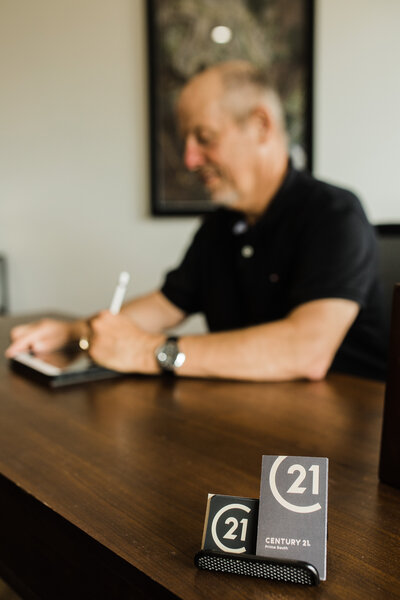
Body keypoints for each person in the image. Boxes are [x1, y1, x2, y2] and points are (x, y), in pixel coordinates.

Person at [5, 61, 388, 381]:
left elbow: (306, 352)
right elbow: (165, 304)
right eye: (186, 141)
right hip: (244, 427)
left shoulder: (335, 215)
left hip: (338, 453)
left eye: (204, 137)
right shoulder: (219, 229)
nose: (189, 160)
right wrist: (77, 332)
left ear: (260, 125)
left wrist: (148, 353)